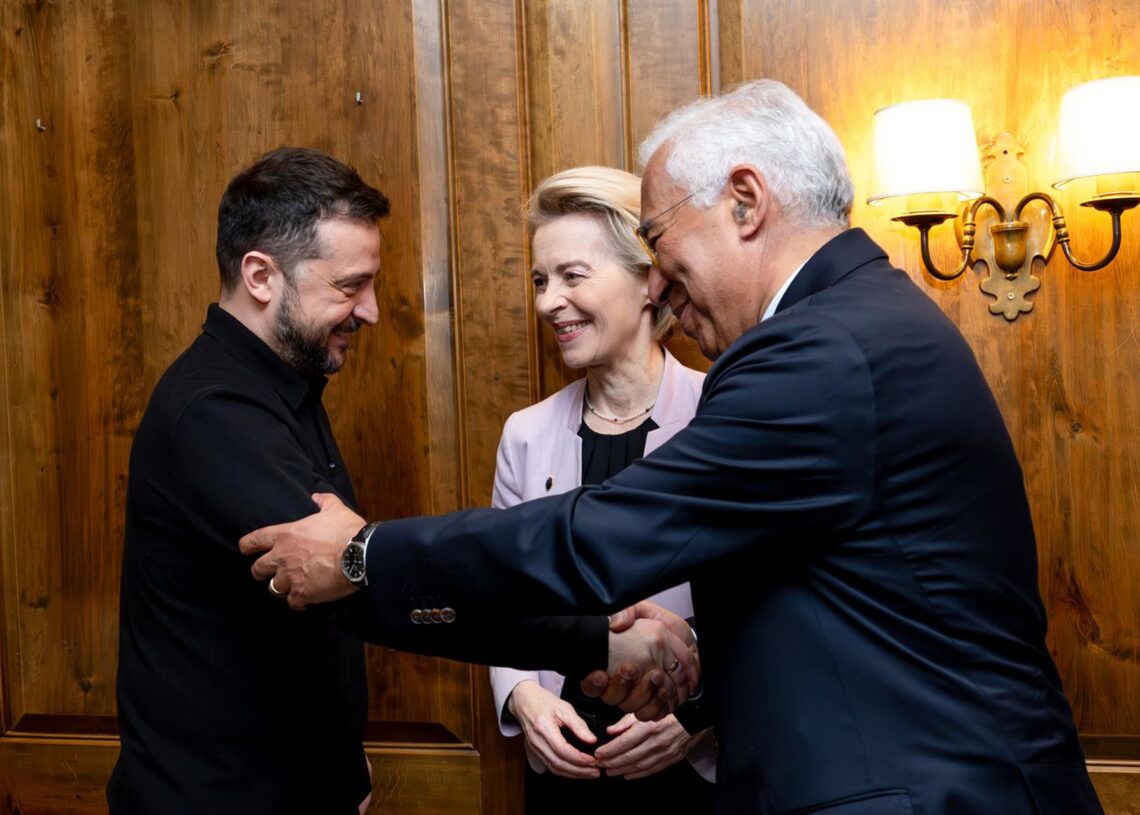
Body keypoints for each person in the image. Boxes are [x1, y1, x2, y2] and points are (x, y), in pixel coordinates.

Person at [240, 81, 1104, 815]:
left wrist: (363, 554)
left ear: (745, 200)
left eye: (657, 239)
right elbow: (838, 607)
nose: (656, 278)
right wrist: (691, 673)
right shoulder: (854, 325)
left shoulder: (819, 350)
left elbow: (600, 537)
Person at [109, 147, 389, 815]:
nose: (371, 310)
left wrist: (340, 766)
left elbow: (310, 613)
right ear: (262, 276)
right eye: (350, 286)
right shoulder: (213, 411)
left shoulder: (285, 383)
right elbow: (356, 572)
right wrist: (588, 638)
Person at [489, 166, 715, 811]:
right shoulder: (525, 435)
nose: (546, 301)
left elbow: (767, 601)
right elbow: (502, 594)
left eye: (571, 276)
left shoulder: (721, 416)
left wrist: (697, 716)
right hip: (565, 765)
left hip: (689, 767)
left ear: (649, 281)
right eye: (539, 280)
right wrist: (522, 697)